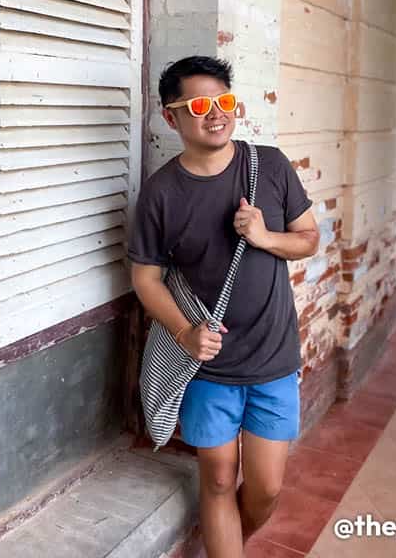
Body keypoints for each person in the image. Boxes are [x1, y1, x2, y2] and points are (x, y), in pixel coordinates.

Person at [127, 56, 319, 558]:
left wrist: (264, 236)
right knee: (216, 479)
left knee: (267, 488)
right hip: (208, 366)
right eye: (198, 105)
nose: (215, 114)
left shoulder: (270, 167)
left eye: (224, 102)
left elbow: (308, 240)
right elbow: (144, 278)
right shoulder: (161, 193)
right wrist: (185, 333)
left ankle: (228, 537)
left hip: (273, 357)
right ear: (172, 118)